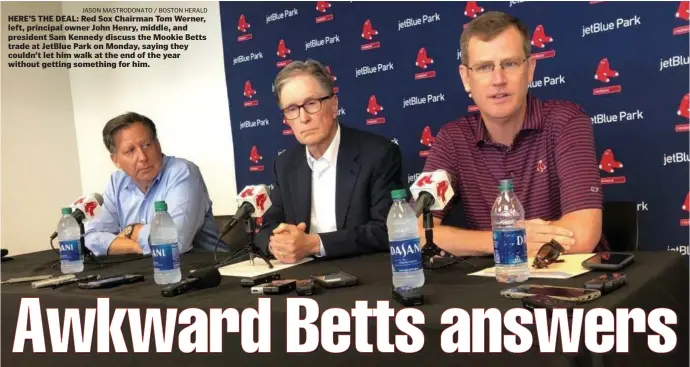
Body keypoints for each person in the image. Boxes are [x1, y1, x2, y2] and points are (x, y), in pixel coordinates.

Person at [420, 11, 607, 257]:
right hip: (494, 285)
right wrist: (505, 239)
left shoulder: (566, 121)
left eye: (509, 64)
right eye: (485, 67)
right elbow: (415, 232)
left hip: (572, 284)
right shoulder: (452, 138)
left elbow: (583, 235)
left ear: (530, 69)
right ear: (466, 78)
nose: (499, 79)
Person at [257, 59, 404, 263]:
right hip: (302, 273)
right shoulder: (285, 164)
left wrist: (314, 244)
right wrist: (277, 245)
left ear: (334, 106)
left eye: (311, 104)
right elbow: (268, 226)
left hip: (363, 272)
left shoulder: (378, 154)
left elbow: (387, 228)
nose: (303, 118)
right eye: (291, 109)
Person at [84, 112, 228, 256]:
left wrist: (133, 231)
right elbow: (93, 237)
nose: (142, 157)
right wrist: (135, 247)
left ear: (158, 144)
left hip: (207, 269)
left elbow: (175, 243)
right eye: (130, 151)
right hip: (147, 270)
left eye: (147, 145)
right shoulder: (116, 183)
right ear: (115, 160)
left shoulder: (182, 172)